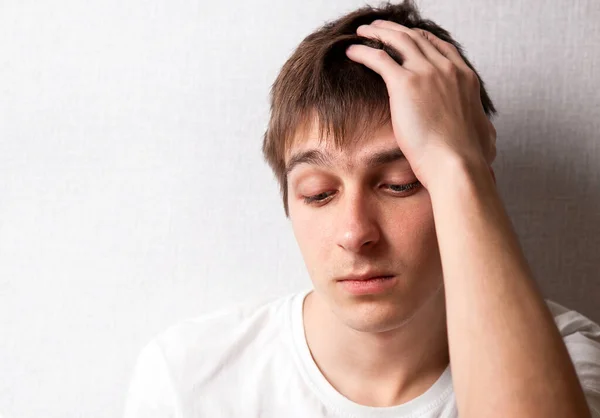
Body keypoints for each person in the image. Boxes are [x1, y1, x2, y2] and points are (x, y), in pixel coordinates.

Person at [123, 1, 600, 417]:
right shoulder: (189, 379)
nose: (355, 233)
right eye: (318, 193)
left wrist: (457, 166)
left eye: (400, 184)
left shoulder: (569, 358)